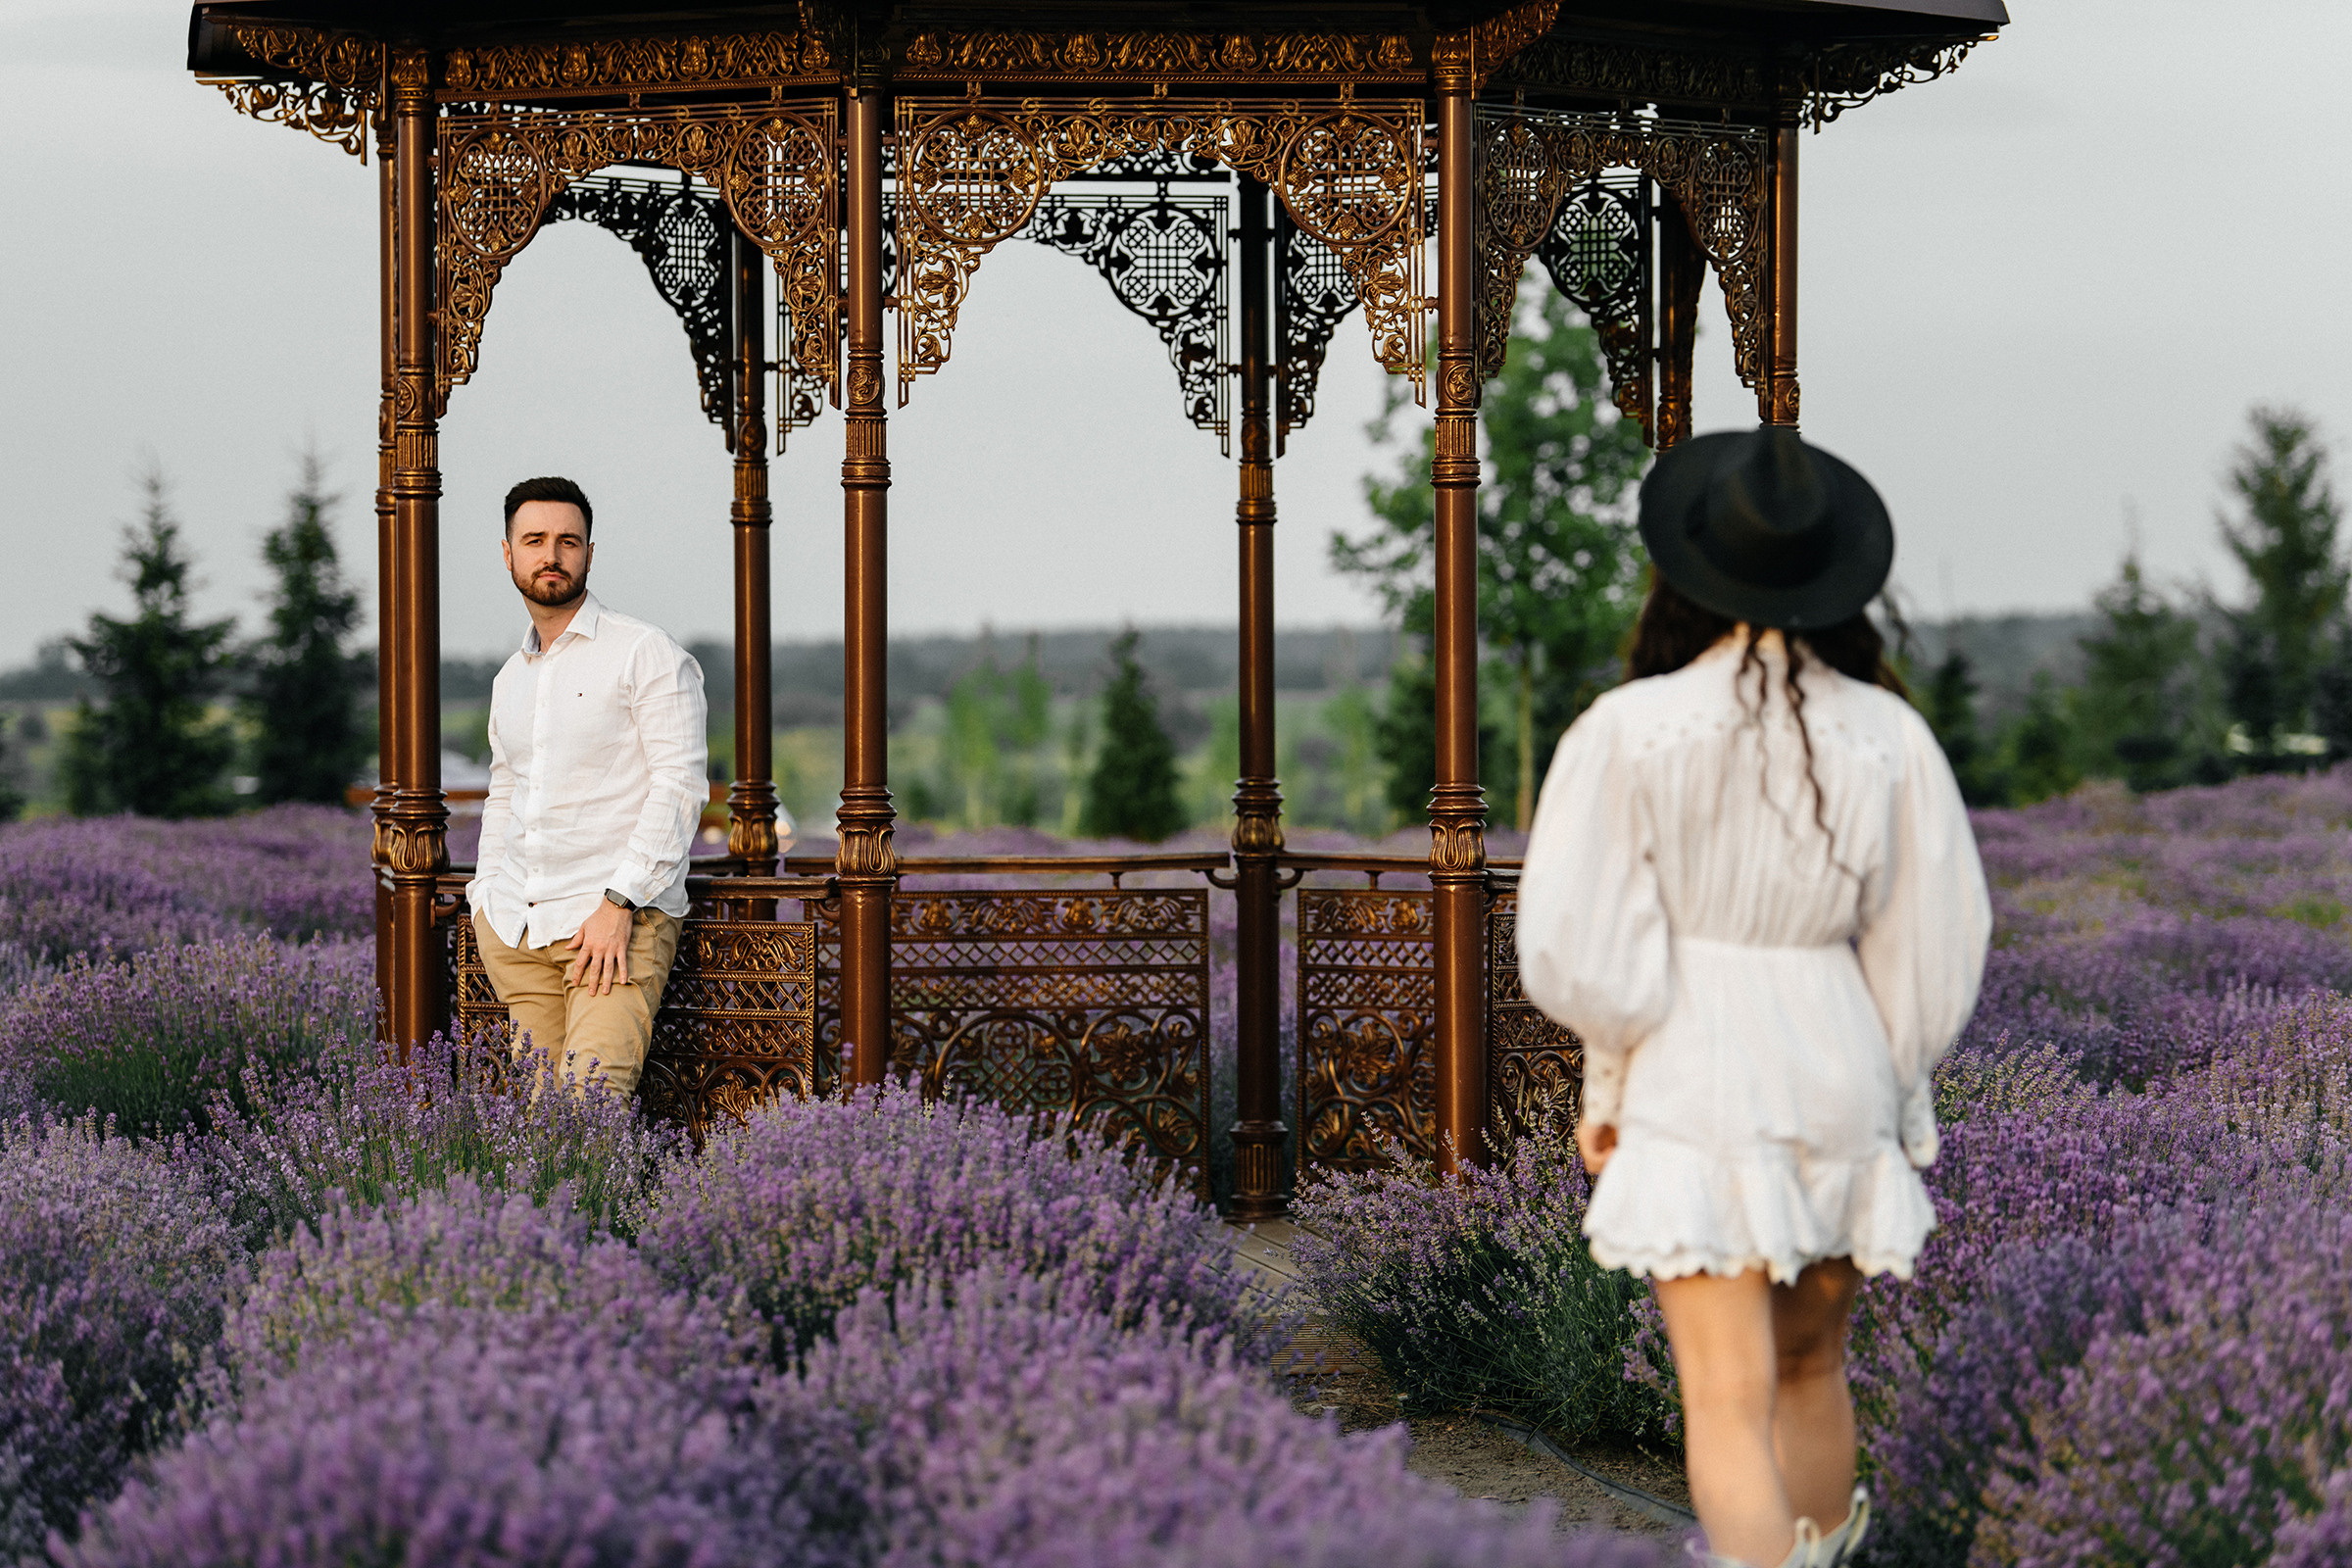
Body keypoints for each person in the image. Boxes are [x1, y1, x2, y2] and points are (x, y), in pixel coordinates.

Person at [1516, 427, 1990, 1568]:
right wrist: (1900, 1091)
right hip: (1840, 1062)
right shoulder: (1892, 737)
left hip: (1698, 1069)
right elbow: (1939, 944)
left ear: (1686, 570)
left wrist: (1611, 1079)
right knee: (1810, 1367)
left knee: (1725, 1397)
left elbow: (1579, 950)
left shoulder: (1628, 730)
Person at [467, 475, 710, 1100]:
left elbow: (679, 787)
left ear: (589, 554)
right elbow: (505, 791)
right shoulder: (509, 679)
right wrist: (484, 896)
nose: (552, 555)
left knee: (587, 1115)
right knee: (534, 1128)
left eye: (568, 541)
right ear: (508, 553)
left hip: (612, 933)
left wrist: (618, 905)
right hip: (519, 932)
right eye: (535, 539)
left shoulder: (646, 654)